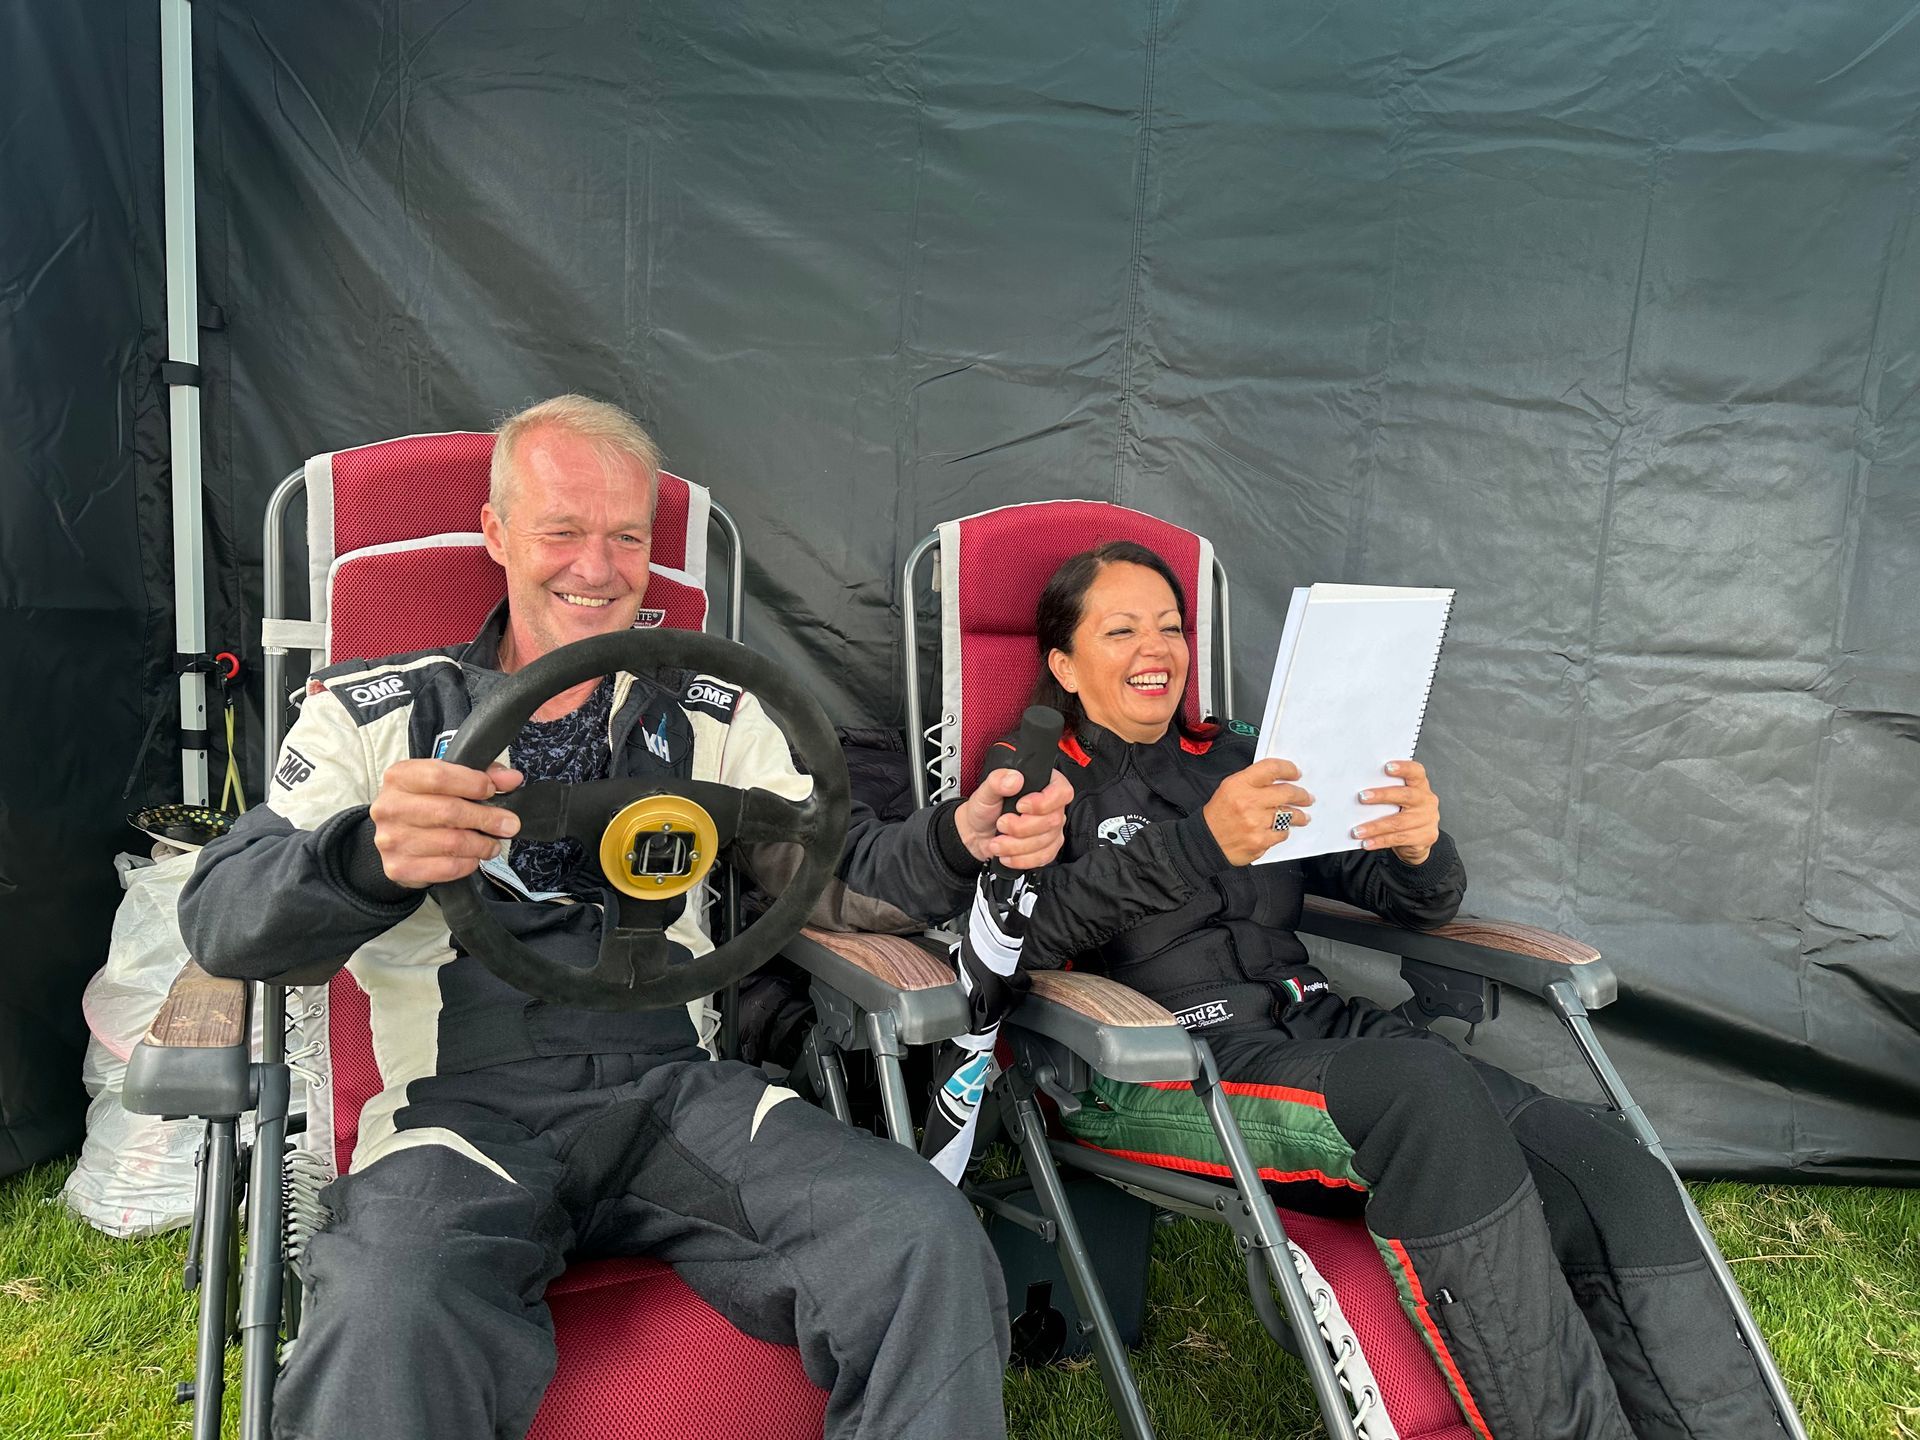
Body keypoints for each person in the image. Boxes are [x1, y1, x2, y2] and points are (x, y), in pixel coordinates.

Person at [180, 395, 1072, 1440]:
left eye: (626, 537)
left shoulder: (711, 710)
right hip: (458, 1116)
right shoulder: (376, 713)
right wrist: (367, 854)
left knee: (920, 1234)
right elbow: (222, 916)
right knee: (389, 1305)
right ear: (498, 533)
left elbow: (838, 871)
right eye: (562, 531)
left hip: (676, 1097)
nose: (596, 569)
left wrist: (962, 838)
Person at [1003, 540, 1780, 1440]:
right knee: (1427, 1094)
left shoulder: (1238, 760)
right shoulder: (1034, 781)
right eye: (1122, 628)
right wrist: (1197, 845)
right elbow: (1015, 941)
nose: (1157, 649)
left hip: (1316, 1031)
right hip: (1157, 1065)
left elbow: (1405, 898)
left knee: (1606, 1166)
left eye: (1171, 627)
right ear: (1063, 661)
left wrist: (1416, 846)